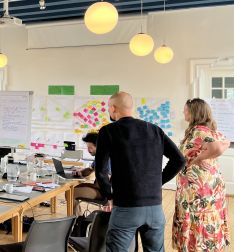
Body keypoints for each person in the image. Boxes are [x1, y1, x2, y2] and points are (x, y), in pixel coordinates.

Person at [95, 92, 186, 252]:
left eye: (109, 108)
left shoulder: (108, 131)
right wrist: (158, 182)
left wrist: (109, 195)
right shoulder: (155, 130)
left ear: (113, 108)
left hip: (125, 207)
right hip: (155, 209)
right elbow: (179, 160)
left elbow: (101, 170)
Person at [172, 98, 231, 251]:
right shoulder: (207, 130)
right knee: (206, 214)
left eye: (185, 109)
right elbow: (226, 142)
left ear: (193, 112)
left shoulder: (199, 130)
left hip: (199, 187)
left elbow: (218, 148)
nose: (183, 112)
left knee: (198, 214)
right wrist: (204, 154)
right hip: (206, 183)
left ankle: (197, 247)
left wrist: (200, 157)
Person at [71, 132, 112, 215]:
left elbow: (103, 183)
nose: (88, 150)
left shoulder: (107, 159)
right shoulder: (100, 156)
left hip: (104, 194)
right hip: (99, 189)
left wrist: (86, 185)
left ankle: (76, 220)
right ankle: (78, 218)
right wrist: (81, 172)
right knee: (72, 190)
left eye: (90, 147)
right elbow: (90, 170)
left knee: (71, 193)